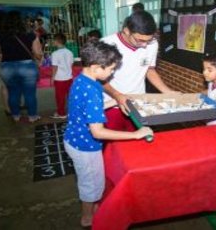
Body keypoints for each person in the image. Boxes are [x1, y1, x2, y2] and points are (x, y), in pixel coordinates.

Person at [63, 40, 153, 227]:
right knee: (91, 185)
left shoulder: (84, 79)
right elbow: (98, 132)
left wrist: (114, 102)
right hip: (84, 146)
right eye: (111, 69)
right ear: (96, 67)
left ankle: (93, 208)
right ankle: (88, 218)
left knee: (94, 181)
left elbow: (88, 110)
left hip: (75, 139)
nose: (112, 73)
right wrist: (136, 135)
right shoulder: (91, 90)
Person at [101, 10, 174, 131]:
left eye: (148, 40)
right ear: (126, 31)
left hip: (138, 103)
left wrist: (167, 92)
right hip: (111, 104)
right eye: (139, 40)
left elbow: (149, 70)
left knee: (137, 140)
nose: (145, 45)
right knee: (113, 143)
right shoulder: (106, 44)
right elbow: (97, 78)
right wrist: (117, 95)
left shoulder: (152, 44)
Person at [0, 11, 43, 122]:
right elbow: (37, 53)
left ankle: (16, 115)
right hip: (27, 67)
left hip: (7, 67)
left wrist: (2, 63)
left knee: (13, 92)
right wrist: (40, 59)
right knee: (30, 93)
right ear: (22, 21)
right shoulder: (30, 33)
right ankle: (32, 116)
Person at [50, 33, 74, 119]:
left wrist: (52, 77)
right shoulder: (70, 52)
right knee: (70, 96)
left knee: (60, 97)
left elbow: (55, 67)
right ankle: (73, 112)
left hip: (59, 79)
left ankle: (61, 113)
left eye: (53, 40)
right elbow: (71, 65)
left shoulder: (55, 53)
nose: (52, 42)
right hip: (69, 77)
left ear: (56, 42)